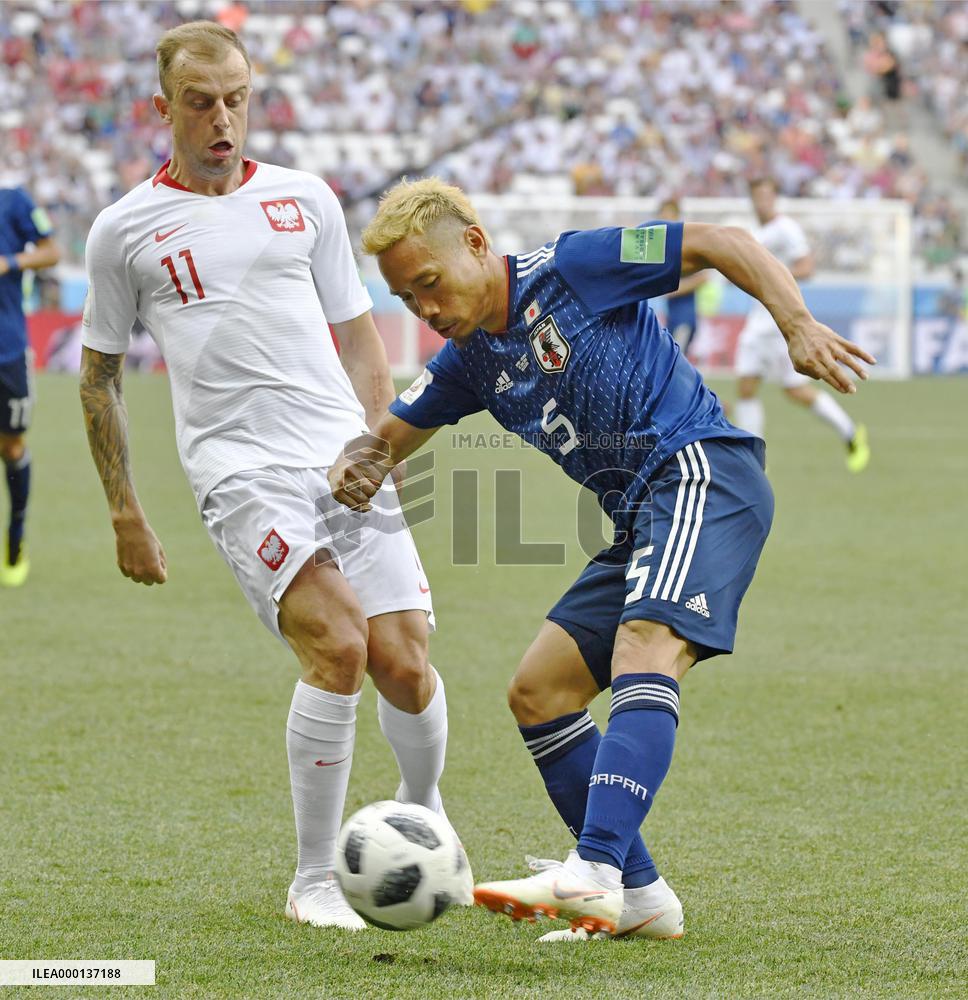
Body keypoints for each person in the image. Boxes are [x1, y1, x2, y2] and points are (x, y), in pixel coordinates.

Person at [327, 178, 874, 941]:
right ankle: (642, 898)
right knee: (540, 691)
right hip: (640, 518)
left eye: (429, 282)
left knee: (644, 645)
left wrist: (797, 324)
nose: (425, 308)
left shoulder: (574, 267)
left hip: (700, 473)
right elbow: (388, 436)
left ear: (476, 245)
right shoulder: (467, 361)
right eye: (407, 298)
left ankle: (594, 869)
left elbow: (720, 242)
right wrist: (352, 467)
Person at [79, 22, 464, 932]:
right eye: (201, 102)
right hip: (239, 471)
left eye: (237, 99)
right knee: (339, 645)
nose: (223, 118)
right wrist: (125, 512)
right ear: (162, 107)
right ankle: (313, 880)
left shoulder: (306, 199)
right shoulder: (124, 230)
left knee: (405, 662)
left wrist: (378, 446)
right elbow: (98, 378)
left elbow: (359, 335)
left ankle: (424, 811)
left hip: (342, 458)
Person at [733, 177, 870, 473]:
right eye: (758, 196)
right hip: (759, 322)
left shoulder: (786, 229)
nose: (763, 202)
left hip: (776, 325)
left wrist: (772, 276)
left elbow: (806, 266)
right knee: (749, 388)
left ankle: (849, 432)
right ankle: (754, 462)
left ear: (775, 198)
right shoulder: (758, 232)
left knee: (788, 390)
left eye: (768, 196)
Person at [0, 187, 60, 587]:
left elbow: (51, 251)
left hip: (7, 351)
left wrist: (10, 262)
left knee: (12, 447)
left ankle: (16, 536)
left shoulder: (13, 202)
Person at [656, 197, 708, 356]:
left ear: (677, 217)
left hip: (685, 318)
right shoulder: (663, 249)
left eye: (669, 215)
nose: (665, 219)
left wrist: (674, 289)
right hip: (672, 318)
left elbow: (703, 277)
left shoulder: (686, 244)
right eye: (662, 215)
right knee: (672, 360)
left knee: (676, 360)